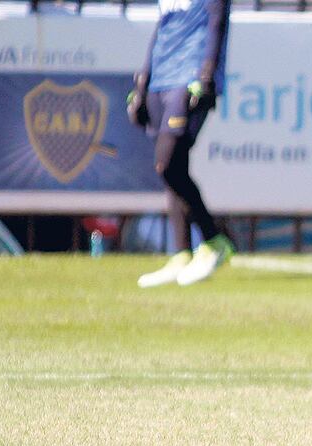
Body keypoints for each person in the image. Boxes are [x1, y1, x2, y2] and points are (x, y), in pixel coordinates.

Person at [127, 0, 235, 288]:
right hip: (160, 80)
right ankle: (181, 253)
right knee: (174, 169)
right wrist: (142, 85)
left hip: (189, 79)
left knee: (167, 165)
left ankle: (214, 240)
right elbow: (161, 29)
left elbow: (216, 24)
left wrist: (206, 76)